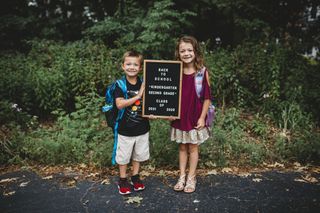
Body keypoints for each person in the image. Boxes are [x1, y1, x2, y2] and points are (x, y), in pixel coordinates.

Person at [171, 36, 212, 193]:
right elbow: (169, 95)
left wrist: (202, 117)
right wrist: (169, 112)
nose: (186, 53)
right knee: (182, 147)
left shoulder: (202, 72)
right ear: (178, 53)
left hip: (195, 116)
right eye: (183, 50)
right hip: (180, 115)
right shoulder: (175, 71)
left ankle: (191, 178)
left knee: (193, 147)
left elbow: (207, 98)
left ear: (195, 52)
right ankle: (181, 176)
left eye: (189, 50)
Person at [114, 50, 150, 195]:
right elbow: (120, 104)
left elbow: (149, 104)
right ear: (123, 66)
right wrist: (139, 95)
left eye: (135, 64)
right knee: (123, 157)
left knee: (138, 155)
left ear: (140, 67)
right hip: (125, 129)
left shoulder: (144, 82)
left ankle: (135, 177)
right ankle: (122, 180)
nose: (132, 67)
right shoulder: (120, 85)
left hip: (142, 128)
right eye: (128, 64)